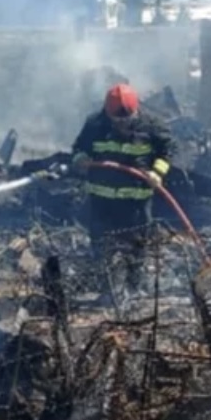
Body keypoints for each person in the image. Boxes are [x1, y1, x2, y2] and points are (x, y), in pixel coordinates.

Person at [70, 83, 174, 298]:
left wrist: (157, 172)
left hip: (135, 203)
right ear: (108, 114)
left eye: (126, 121)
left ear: (136, 111)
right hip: (101, 201)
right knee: (101, 248)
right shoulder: (95, 124)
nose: (121, 126)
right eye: (116, 121)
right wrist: (80, 158)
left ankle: (134, 290)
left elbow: (169, 150)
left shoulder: (152, 126)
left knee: (136, 248)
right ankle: (107, 293)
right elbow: (79, 147)